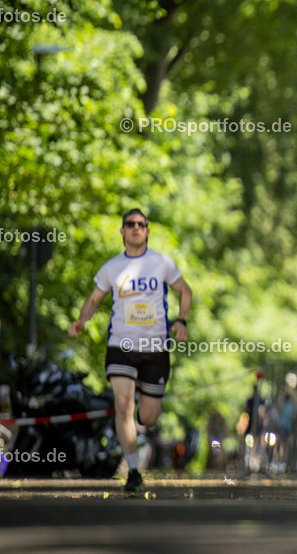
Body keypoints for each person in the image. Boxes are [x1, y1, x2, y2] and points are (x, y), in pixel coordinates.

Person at [68, 208, 193, 492]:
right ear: (122, 231)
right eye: (130, 224)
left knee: (148, 416)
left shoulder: (162, 263)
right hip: (121, 346)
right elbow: (94, 299)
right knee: (123, 406)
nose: (136, 228)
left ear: (147, 231)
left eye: (142, 224)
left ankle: (138, 424)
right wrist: (81, 321)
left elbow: (186, 291)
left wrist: (181, 321)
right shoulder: (112, 268)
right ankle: (134, 470)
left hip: (155, 348)